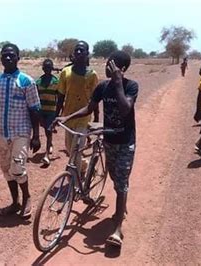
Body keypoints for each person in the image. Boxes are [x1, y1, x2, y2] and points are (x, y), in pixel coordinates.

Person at [55, 51, 138, 248]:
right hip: (108, 139)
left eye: (111, 65)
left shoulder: (131, 86)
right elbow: (89, 108)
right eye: (107, 63)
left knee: (121, 183)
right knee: (113, 177)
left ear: (122, 69)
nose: (106, 66)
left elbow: (126, 108)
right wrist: (67, 117)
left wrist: (118, 83)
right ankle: (120, 202)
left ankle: (117, 228)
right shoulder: (102, 86)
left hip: (125, 141)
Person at [0, 43, 41, 219]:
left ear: (18, 58)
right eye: (4, 55)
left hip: (21, 133)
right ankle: (14, 202)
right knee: (6, 169)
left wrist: (36, 136)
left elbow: (34, 109)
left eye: (11, 55)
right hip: (2, 132)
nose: (7, 58)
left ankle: (27, 199)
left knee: (18, 168)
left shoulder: (26, 81)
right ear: (1, 58)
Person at [55, 40, 99, 174]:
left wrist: (96, 118)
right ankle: (86, 166)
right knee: (69, 150)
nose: (79, 52)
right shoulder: (65, 72)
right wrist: (56, 115)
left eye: (82, 50)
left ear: (87, 54)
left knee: (77, 150)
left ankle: (74, 184)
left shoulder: (92, 75)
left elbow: (95, 99)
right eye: (77, 50)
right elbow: (61, 96)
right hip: (68, 117)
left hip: (84, 118)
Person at [36, 59, 59, 165]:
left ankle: (46, 155)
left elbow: (59, 97)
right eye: (45, 67)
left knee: (49, 130)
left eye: (49, 67)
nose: (47, 69)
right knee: (46, 129)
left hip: (51, 111)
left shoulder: (56, 81)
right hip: (42, 111)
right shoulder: (38, 82)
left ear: (52, 68)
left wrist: (59, 111)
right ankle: (50, 144)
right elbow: (36, 98)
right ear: (43, 68)